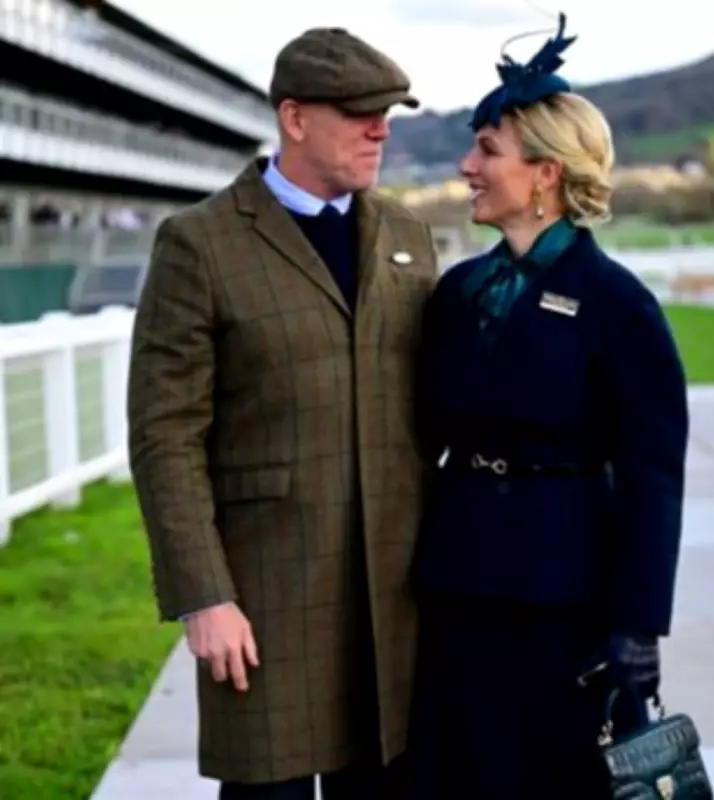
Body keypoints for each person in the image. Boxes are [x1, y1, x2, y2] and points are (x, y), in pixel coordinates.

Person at [126, 27, 439, 800]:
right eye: (361, 112)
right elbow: (165, 435)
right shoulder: (198, 244)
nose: (381, 129)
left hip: (394, 600)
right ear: (294, 118)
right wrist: (204, 594)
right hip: (266, 601)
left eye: (389, 113)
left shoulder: (407, 233)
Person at [406, 14, 689, 799]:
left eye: (486, 151)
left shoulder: (619, 305)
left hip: (565, 592)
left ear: (545, 174)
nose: (466, 166)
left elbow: (652, 476)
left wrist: (639, 624)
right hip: (455, 582)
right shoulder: (458, 295)